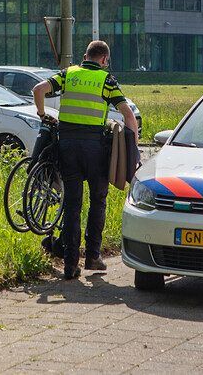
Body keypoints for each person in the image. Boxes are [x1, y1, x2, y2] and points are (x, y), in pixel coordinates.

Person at [32, 40, 138, 280]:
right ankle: (92, 256)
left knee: (72, 204)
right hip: (95, 149)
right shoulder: (106, 80)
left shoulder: (68, 74)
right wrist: (133, 148)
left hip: (67, 146)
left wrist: (42, 115)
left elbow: (38, 89)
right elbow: (128, 115)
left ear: (85, 56)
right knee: (98, 200)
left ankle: (70, 265)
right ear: (103, 60)